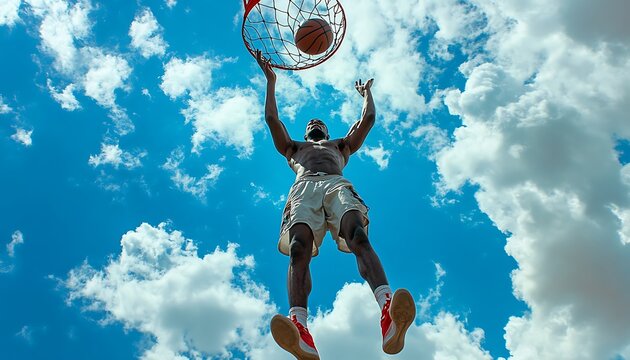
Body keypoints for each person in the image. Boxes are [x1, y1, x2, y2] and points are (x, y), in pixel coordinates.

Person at [256, 50, 415, 360]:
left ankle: (387, 311)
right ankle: (299, 327)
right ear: (305, 132)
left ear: (326, 132)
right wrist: (271, 81)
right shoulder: (294, 148)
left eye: (320, 123)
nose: (315, 124)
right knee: (299, 248)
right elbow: (272, 119)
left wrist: (367, 93)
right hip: (304, 188)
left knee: (358, 235)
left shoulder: (339, 145)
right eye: (311, 122)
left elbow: (367, 120)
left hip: (335, 184)